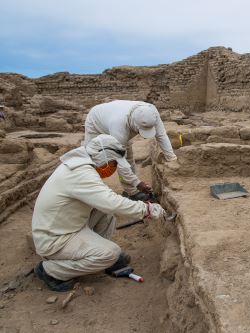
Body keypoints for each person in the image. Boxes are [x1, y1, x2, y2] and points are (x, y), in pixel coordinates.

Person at [32, 134, 167, 292]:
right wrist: (147, 209)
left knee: (106, 212)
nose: (113, 168)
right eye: (113, 163)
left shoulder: (81, 165)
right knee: (111, 253)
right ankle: (51, 271)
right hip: (55, 240)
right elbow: (112, 202)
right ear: (102, 157)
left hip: (65, 226)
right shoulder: (80, 173)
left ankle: (99, 253)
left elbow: (106, 202)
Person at [84, 100, 177, 198]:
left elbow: (161, 135)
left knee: (129, 156)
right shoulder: (119, 126)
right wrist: (138, 183)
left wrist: (171, 158)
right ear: (134, 124)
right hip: (96, 123)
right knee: (94, 158)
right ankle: (89, 190)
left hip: (115, 120)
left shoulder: (151, 112)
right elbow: (120, 161)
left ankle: (132, 192)